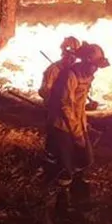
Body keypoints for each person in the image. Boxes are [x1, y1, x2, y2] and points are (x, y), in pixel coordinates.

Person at [45, 43, 105, 211]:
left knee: (85, 158)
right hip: (63, 125)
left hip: (77, 121)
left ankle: (77, 193)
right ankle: (61, 203)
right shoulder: (70, 75)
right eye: (94, 65)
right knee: (66, 164)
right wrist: (77, 133)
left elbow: (78, 101)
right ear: (86, 61)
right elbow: (65, 106)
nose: (96, 69)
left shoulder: (87, 74)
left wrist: (87, 107)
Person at [39, 36, 81, 166]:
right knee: (54, 142)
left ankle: (65, 167)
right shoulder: (53, 70)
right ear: (63, 52)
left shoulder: (75, 71)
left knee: (69, 143)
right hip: (56, 113)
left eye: (74, 55)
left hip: (71, 113)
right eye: (69, 54)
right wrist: (55, 100)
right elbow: (43, 91)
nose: (71, 58)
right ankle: (49, 169)